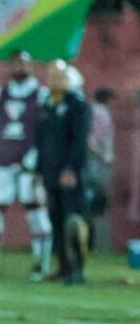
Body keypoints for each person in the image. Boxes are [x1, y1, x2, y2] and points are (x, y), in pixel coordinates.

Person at [0, 51, 53, 282]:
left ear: (31, 66)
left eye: (24, 62)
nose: (19, 67)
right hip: (1, 164)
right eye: (15, 63)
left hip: (28, 167)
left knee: (36, 214)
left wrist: (35, 161)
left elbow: (46, 132)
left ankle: (41, 264)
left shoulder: (41, 95)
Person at [36, 61, 90, 285]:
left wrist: (71, 168)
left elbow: (79, 141)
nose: (53, 80)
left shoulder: (77, 105)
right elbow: (42, 141)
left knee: (73, 222)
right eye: (50, 76)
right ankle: (64, 267)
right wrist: (39, 169)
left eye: (58, 76)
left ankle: (78, 267)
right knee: (55, 220)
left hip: (69, 174)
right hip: (50, 172)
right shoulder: (47, 105)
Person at [87, 87, 116, 251]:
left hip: (98, 163)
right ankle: (93, 243)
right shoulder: (98, 112)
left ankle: (93, 243)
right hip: (96, 164)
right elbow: (90, 138)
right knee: (96, 203)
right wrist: (102, 155)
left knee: (97, 203)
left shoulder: (97, 111)